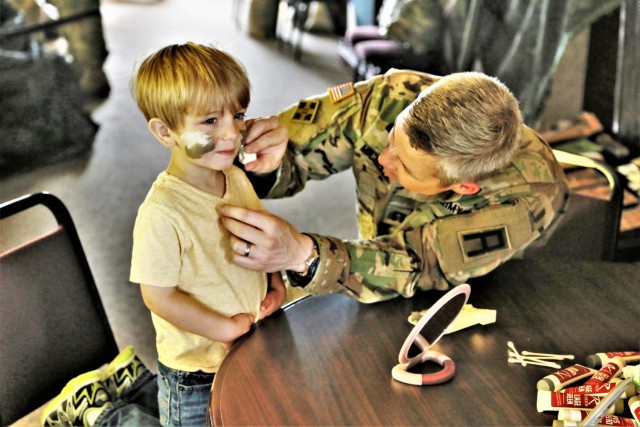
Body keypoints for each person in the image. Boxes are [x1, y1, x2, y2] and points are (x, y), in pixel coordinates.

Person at [220, 70, 569, 303]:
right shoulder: (389, 96)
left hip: (488, 291)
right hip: (369, 262)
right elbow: (294, 158)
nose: (384, 161)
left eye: (405, 166)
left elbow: (422, 264)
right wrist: (265, 165)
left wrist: (303, 256)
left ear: (464, 187)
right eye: (391, 140)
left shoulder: (528, 194)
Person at [128, 42, 284, 426]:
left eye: (238, 114)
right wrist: (225, 329)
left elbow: (262, 237)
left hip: (248, 344)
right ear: (166, 131)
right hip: (194, 374)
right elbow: (158, 295)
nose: (232, 133)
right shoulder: (162, 212)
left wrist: (276, 284)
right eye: (210, 121)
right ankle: (110, 414)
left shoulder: (234, 178)